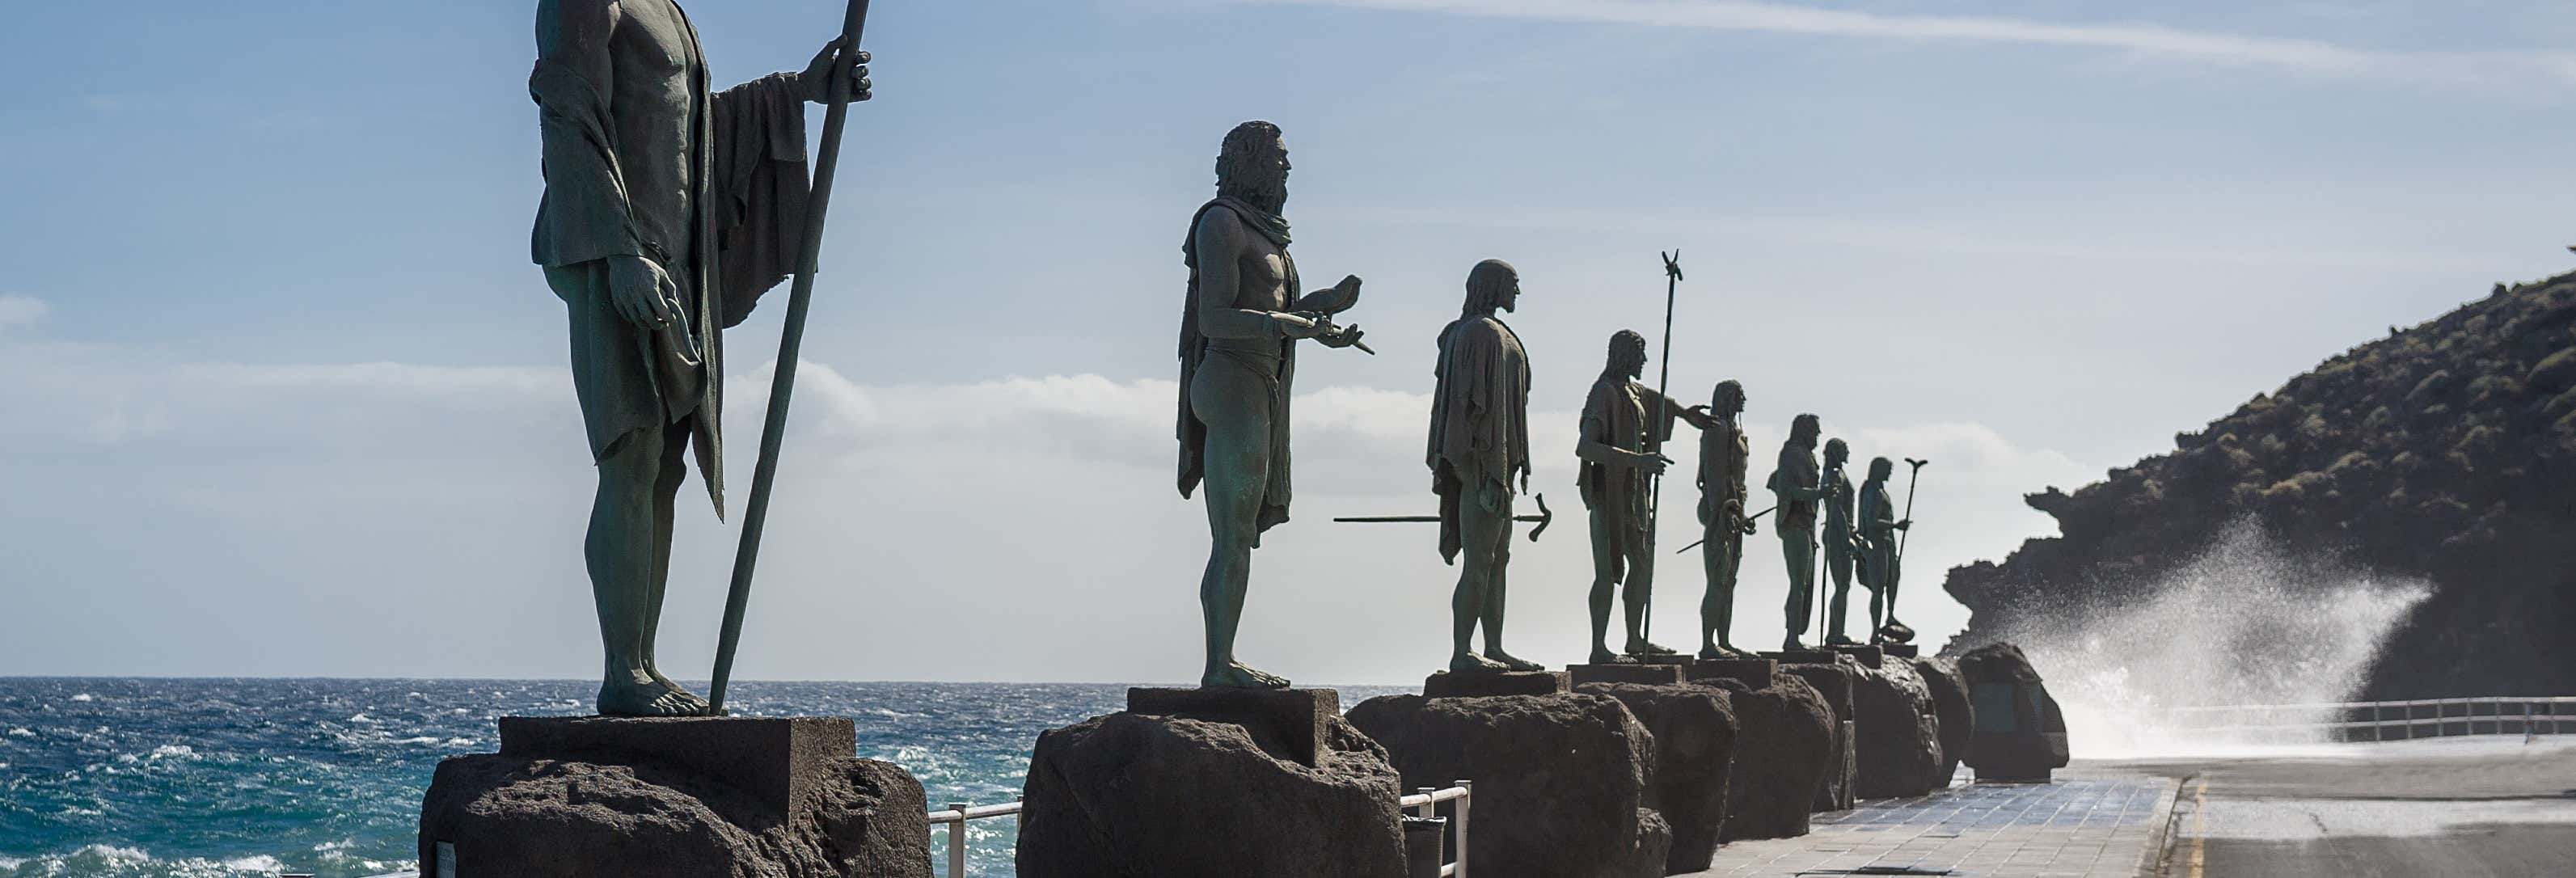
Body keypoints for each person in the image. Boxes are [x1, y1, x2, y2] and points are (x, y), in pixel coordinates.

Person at [532, 0, 868, 715]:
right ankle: (622, 673)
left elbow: (683, 120)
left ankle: (644, 665)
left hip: (675, 262)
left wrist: (793, 91)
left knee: (665, 463)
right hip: (610, 249)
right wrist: (621, 254)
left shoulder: (669, 9)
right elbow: (570, 115)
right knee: (631, 449)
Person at [1176, 120, 1368, 688]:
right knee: (1232, 536)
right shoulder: (1221, 223)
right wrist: (1287, 324)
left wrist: (1321, 309)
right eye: (1279, 158)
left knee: (1239, 537)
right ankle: (1220, 668)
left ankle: (1225, 661)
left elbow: (1274, 314)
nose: (1287, 169)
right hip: (1230, 381)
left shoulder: (1272, 238)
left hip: (1260, 384)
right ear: (1251, 161)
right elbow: (1215, 319)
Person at [1427, 260, 1541, 673]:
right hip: (1479, 466)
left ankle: (1493, 647)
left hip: (1501, 468)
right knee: (1479, 558)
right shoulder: (1477, 333)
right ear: (1493, 286)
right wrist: (1482, 469)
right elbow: (1468, 410)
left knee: (1498, 558)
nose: (1517, 292)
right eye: (1513, 284)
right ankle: (1463, 654)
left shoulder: (1500, 335)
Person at [1576, 330, 1716, 663]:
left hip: (1634, 499)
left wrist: (1685, 414)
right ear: (1625, 355)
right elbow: (1586, 447)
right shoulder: (1603, 393)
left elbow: (1658, 402)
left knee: (1642, 566)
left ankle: (1635, 639)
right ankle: (1599, 647)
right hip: (1607, 497)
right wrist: (1638, 460)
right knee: (1606, 573)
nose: (1645, 361)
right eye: (1640, 355)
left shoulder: (1632, 391)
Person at [1695, 380, 1756, 660]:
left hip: (1735, 514)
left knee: (1730, 580)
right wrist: (1726, 512)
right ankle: (1708, 644)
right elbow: (1716, 476)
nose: (1743, 402)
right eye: (1739, 397)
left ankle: (1724, 640)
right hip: (1721, 515)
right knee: (1717, 580)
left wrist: (1742, 514)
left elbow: (1737, 478)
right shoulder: (1717, 430)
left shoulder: (1736, 432)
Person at [1766, 414, 1830, 652]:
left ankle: (1795, 635)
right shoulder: (1791, 454)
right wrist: (1817, 494)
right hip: (1794, 523)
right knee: (1798, 583)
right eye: (1815, 431)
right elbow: (1788, 489)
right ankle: (1791, 638)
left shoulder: (1807, 455)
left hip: (1807, 524)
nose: (1818, 436)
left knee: (1805, 583)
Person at [1856, 456, 1915, 644]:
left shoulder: (1882, 491)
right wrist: (1895, 525)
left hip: (1887, 543)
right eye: (1887, 470)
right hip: (1877, 544)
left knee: (1893, 580)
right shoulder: (1872, 492)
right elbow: (1872, 521)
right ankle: (1875, 632)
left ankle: (1889, 617)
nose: (1890, 473)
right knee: (1878, 588)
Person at [1819, 439, 1860, 646]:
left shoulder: (1838, 473)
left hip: (1844, 534)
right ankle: (1835, 635)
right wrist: (1846, 538)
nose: (1848, 452)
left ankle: (1837, 631)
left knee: (1843, 586)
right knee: (1841, 585)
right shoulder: (1833, 475)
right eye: (1845, 449)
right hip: (1837, 535)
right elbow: (1836, 511)